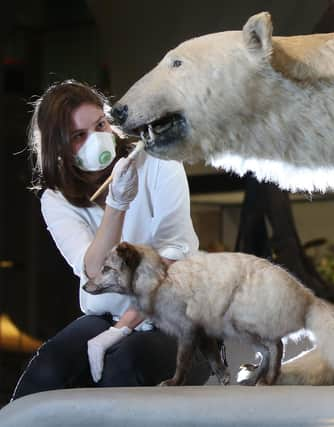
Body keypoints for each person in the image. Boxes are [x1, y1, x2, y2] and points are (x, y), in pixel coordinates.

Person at [11, 80, 211, 400]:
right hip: (105, 315)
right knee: (46, 374)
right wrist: (116, 207)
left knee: (124, 369)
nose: (97, 139)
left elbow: (173, 257)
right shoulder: (56, 199)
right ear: (57, 147)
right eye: (79, 136)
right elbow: (93, 272)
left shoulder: (158, 162)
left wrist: (121, 330)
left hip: (173, 313)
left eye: (100, 125)